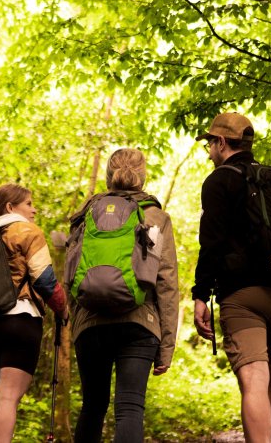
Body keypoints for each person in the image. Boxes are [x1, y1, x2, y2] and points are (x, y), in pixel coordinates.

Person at [191, 112, 271, 443]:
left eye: (210, 143)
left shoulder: (219, 181)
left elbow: (211, 242)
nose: (209, 150)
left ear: (222, 143)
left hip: (242, 295)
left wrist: (200, 294)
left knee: (254, 376)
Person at [68, 148, 180, 443]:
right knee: (129, 408)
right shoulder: (155, 216)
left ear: (108, 175)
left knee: (92, 406)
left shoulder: (84, 213)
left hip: (90, 322)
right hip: (139, 322)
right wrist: (166, 345)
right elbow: (166, 281)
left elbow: (70, 272)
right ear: (143, 176)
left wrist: (73, 326)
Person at [0, 183, 69, 442]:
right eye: (28, 203)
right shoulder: (26, 230)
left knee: (2, 396)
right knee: (8, 397)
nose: (34, 210)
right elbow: (45, 281)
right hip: (19, 317)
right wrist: (62, 309)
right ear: (10, 206)